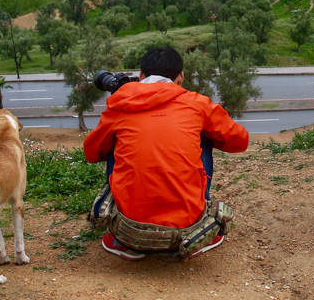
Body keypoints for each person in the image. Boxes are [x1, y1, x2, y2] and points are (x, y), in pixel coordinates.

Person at [83, 46, 249, 259]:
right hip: (186, 231)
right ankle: (200, 222)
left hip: (127, 231)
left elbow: (92, 152)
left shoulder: (120, 104)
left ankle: (120, 241)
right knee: (205, 135)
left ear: (141, 76)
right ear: (181, 77)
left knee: (115, 140)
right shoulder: (197, 104)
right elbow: (240, 141)